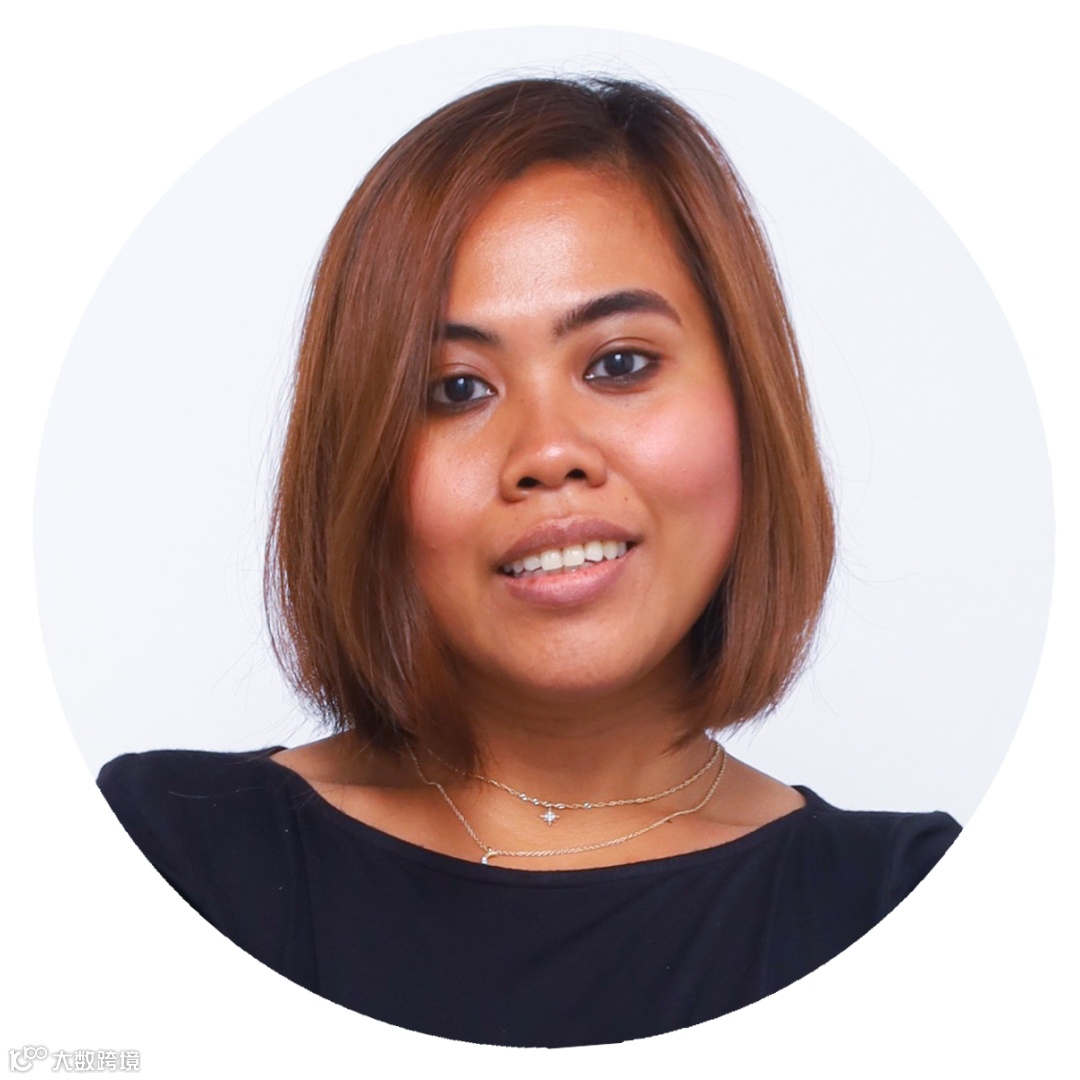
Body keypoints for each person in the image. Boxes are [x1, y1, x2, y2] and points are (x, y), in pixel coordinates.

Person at [98, 75, 960, 1047]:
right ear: (363, 465)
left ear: (749, 406)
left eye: (619, 364)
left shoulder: (909, 905)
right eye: (456, 389)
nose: (549, 451)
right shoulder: (170, 856)